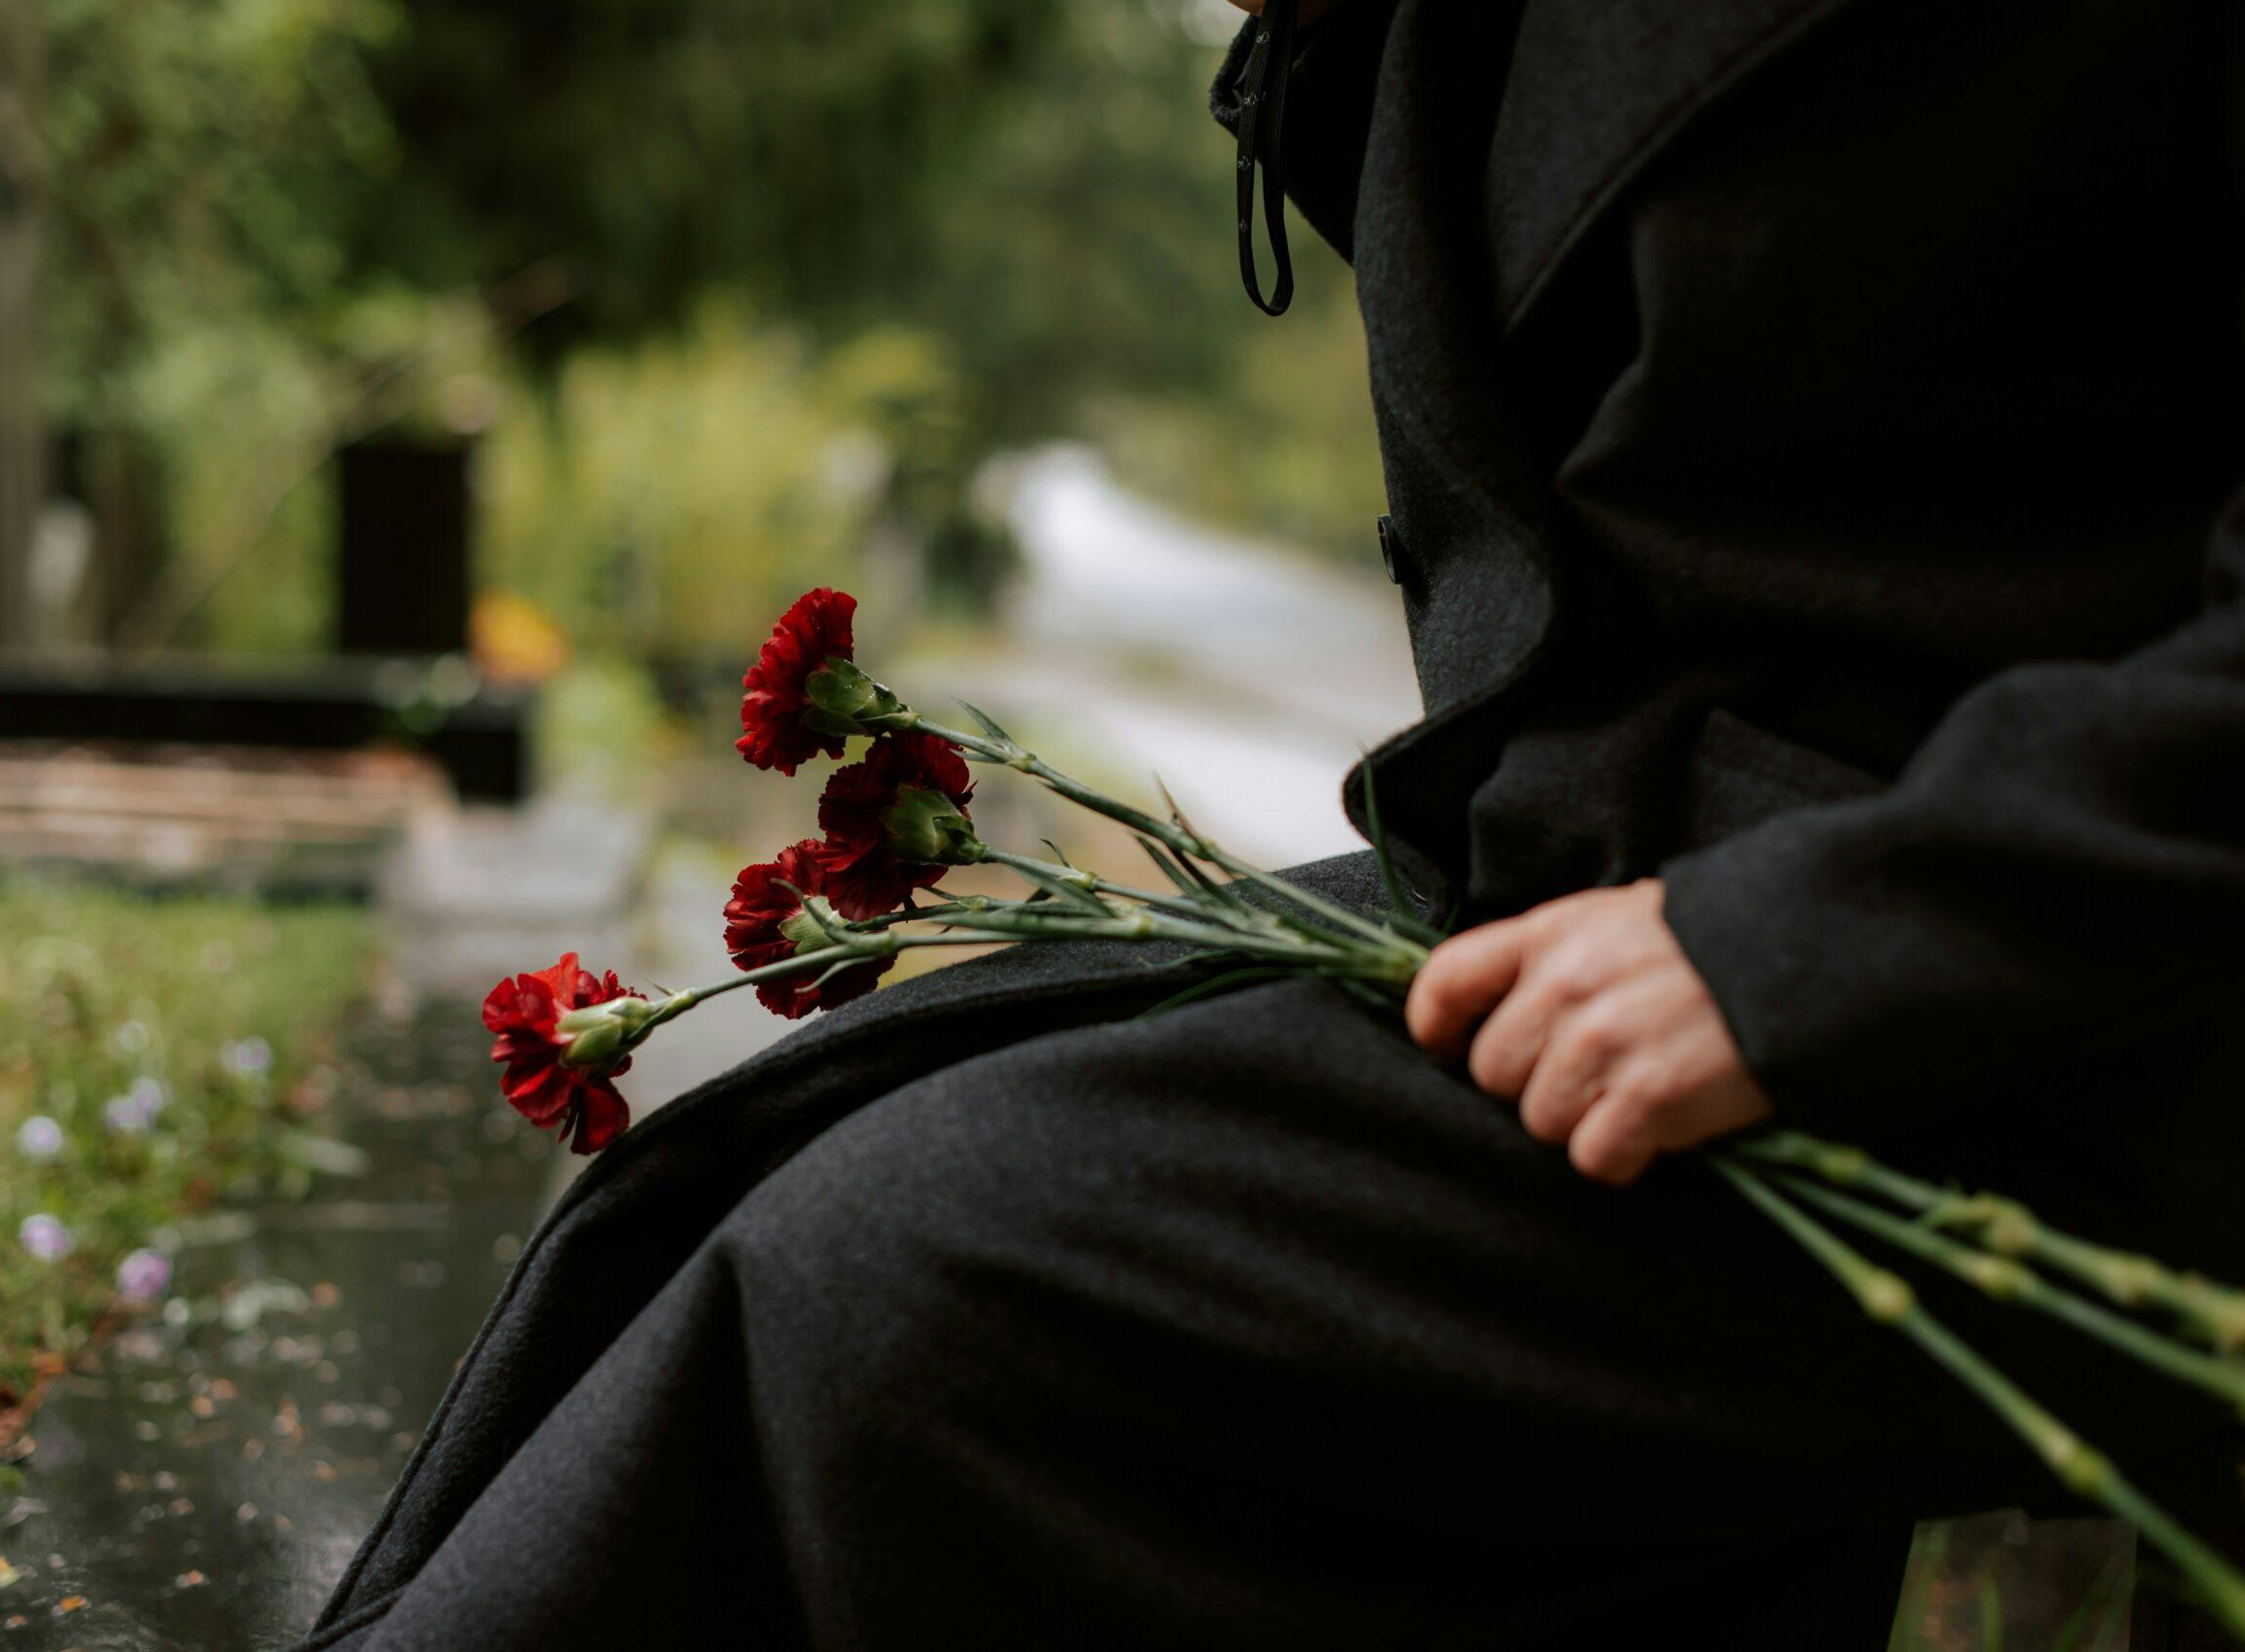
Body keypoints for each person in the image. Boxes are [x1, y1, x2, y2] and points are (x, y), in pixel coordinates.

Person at [297, 1, 2245, 1644]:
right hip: (1629, 893)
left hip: (2072, 978)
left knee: (908, 1294)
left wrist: (1843, 940)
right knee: (758, 1170)